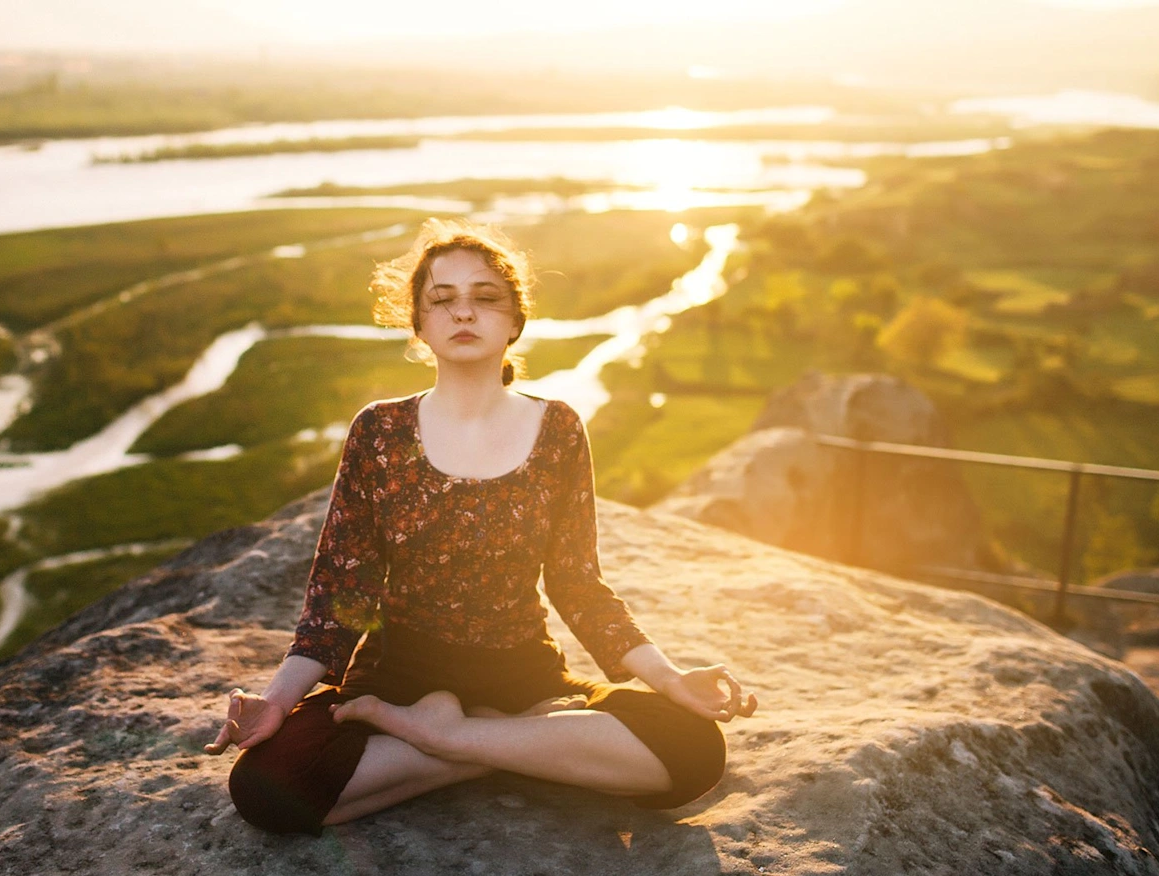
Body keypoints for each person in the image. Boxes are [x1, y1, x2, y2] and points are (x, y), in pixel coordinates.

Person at [204, 217, 759, 835]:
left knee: (693, 748)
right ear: (417, 325)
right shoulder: (379, 431)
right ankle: (519, 750)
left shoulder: (558, 430)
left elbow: (578, 585)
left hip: (522, 673)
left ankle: (460, 740)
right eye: (442, 300)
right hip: (396, 678)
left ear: (514, 320)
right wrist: (274, 704)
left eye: (485, 298)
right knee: (265, 788)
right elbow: (341, 598)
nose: (463, 313)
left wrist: (672, 678)